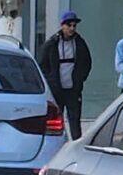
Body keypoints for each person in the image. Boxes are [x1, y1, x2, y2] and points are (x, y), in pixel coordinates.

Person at [39, 11, 93, 139]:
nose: (72, 28)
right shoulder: (52, 43)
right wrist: (51, 81)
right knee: (55, 121)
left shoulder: (79, 43)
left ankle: (76, 144)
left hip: (73, 89)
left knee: (75, 120)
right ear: (62, 25)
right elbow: (43, 64)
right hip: (57, 89)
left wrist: (80, 79)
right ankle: (57, 144)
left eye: (74, 26)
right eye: (69, 25)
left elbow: (87, 62)